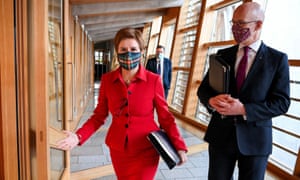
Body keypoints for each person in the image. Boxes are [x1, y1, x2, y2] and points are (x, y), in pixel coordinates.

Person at [57, 27, 188, 180]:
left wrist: (179, 146)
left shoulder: (153, 80)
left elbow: (165, 117)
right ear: (117, 52)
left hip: (147, 149)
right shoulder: (107, 80)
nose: (128, 53)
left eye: (133, 49)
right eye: (123, 49)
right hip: (119, 150)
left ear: (141, 52)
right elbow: (99, 116)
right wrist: (78, 136)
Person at [197, 2, 290, 180]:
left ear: (259, 24)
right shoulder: (222, 54)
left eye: (241, 23)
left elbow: (282, 103)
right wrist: (211, 101)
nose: (235, 28)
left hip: (256, 140)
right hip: (220, 136)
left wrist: (244, 109)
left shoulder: (277, 60)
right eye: (233, 23)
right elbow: (204, 89)